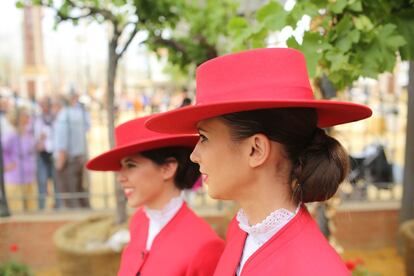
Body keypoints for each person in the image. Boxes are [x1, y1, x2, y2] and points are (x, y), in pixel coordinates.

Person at [146, 48, 372, 275]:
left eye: (204, 138)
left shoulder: (315, 269)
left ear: (255, 149)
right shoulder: (242, 231)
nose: (194, 155)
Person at [86, 115, 225, 276]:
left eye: (131, 165)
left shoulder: (205, 246)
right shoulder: (140, 220)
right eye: (121, 166)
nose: (120, 177)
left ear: (167, 168)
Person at [52, 93, 90, 208]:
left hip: (68, 161)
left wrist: (59, 165)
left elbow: (62, 144)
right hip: (78, 158)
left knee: (70, 196)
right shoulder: (77, 114)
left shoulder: (64, 117)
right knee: (79, 191)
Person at [2, 106, 37, 212]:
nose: (28, 117)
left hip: (29, 178)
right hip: (15, 179)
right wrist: (6, 164)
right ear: (17, 118)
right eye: (25, 115)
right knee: (18, 210)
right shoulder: (10, 136)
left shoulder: (28, 134)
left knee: (32, 209)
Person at [34, 96, 60, 209]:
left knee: (56, 181)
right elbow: (35, 136)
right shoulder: (37, 119)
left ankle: (59, 206)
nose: (44, 107)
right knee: (42, 182)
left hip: (53, 153)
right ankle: (41, 207)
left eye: (45, 104)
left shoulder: (56, 118)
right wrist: (39, 140)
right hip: (42, 153)